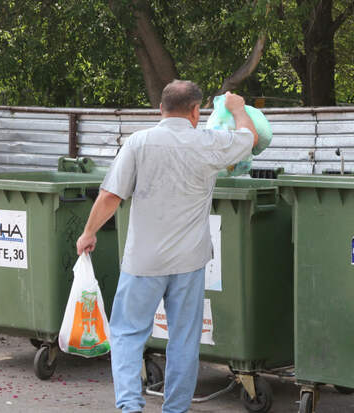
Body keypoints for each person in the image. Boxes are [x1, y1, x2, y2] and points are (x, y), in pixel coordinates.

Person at [75, 80, 258, 413]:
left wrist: (88, 233)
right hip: (189, 262)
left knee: (128, 335)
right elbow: (250, 138)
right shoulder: (209, 143)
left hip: (143, 262)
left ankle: (130, 405)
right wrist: (237, 109)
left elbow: (110, 196)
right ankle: (175, 409)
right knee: (184, 340)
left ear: (160, 109)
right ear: (195, 111)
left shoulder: (138, 143)